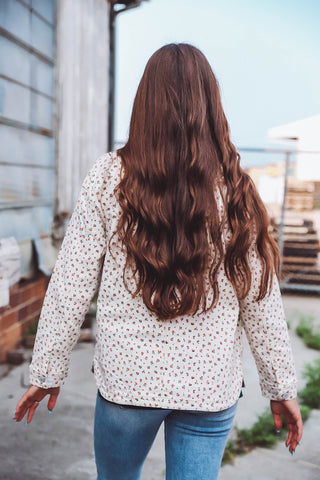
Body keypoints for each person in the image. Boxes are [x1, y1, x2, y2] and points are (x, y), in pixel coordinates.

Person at [14, 43, 302, 480]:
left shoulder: (109, 176)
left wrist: (47, 370)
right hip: (208, 389)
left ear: (144, 104)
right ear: (211, 104)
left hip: (128, 386)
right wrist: (281, 388)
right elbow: (261, 299)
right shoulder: (238, 189)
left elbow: (71, 284)